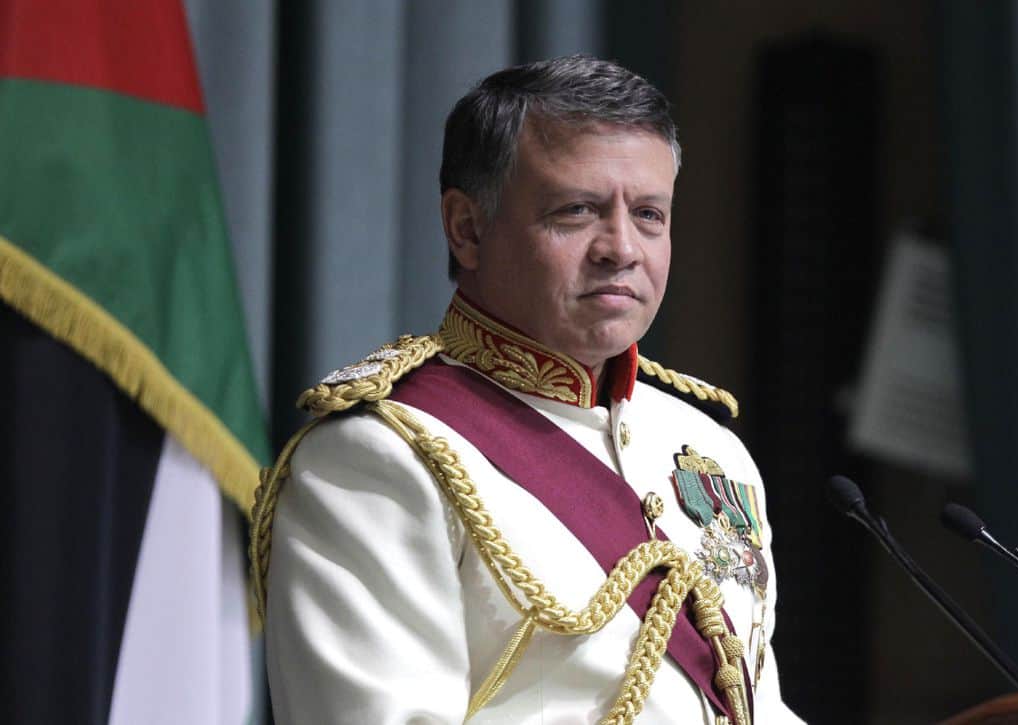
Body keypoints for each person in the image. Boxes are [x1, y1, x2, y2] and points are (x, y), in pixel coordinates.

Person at [252, 55, 803, 724]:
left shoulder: (707, 446)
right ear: (467, 228)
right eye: (577, 211)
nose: (621, 247)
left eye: (649, 215)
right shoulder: (377, 458)